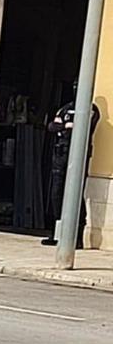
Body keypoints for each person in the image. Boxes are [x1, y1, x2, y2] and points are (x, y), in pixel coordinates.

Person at [41, 84, 101, 248]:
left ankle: (78, 237)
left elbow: (86, 128)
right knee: (56, 193)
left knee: (76, 195)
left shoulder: (91, 109)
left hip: (79, 156)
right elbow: (52, 126)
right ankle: (57, 233)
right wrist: (66, 126)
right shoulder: (66, 108)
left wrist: (69, 126)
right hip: (61, 154)